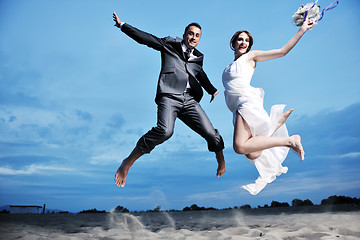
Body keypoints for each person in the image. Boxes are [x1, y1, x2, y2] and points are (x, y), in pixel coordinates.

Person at [113, 12, 225, 187]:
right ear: (184, 34)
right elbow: (146, 39)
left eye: (197, 35)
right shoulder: (169, 44)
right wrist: (123, 26)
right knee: (165, 131)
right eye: (191, 33)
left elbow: (199, 74)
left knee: (211, 133)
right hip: (169, 96)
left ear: (199, 39)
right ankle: (128, 162)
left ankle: (220, 157)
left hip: (188, 100)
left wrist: (212, 90)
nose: (193, 37)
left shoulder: (198, 58)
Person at [222, 19, 313, 195]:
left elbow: (282, 51)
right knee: (252, 154)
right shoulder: (228, 66)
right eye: (240, 39)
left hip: (246, 102)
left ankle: (289, 140)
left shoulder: (251, 56)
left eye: (247, 41)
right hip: (237, 107)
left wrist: (302, 29)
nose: (243, 43)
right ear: (233, 43)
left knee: (240, 147)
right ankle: (275, 126)